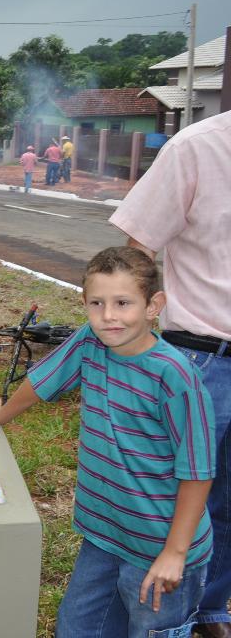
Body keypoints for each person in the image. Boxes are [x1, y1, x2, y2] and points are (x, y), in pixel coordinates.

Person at [0, 246, 214, 637]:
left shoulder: (175, 378)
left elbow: (198, 472)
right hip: (104, 534)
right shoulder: (91, 342)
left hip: (160, 547)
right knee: (77, 627)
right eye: (97, 303)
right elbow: (43, 380)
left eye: (123, 303)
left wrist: (175, 553)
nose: (108, 316)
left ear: (154, 306)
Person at [109, 109, 231, 638]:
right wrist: (137, 335)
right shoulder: (198, 147)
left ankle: (210, 607)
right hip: (201, 359)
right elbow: (138, 243)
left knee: (227, 505)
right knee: (167, 500)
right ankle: (157, 621)